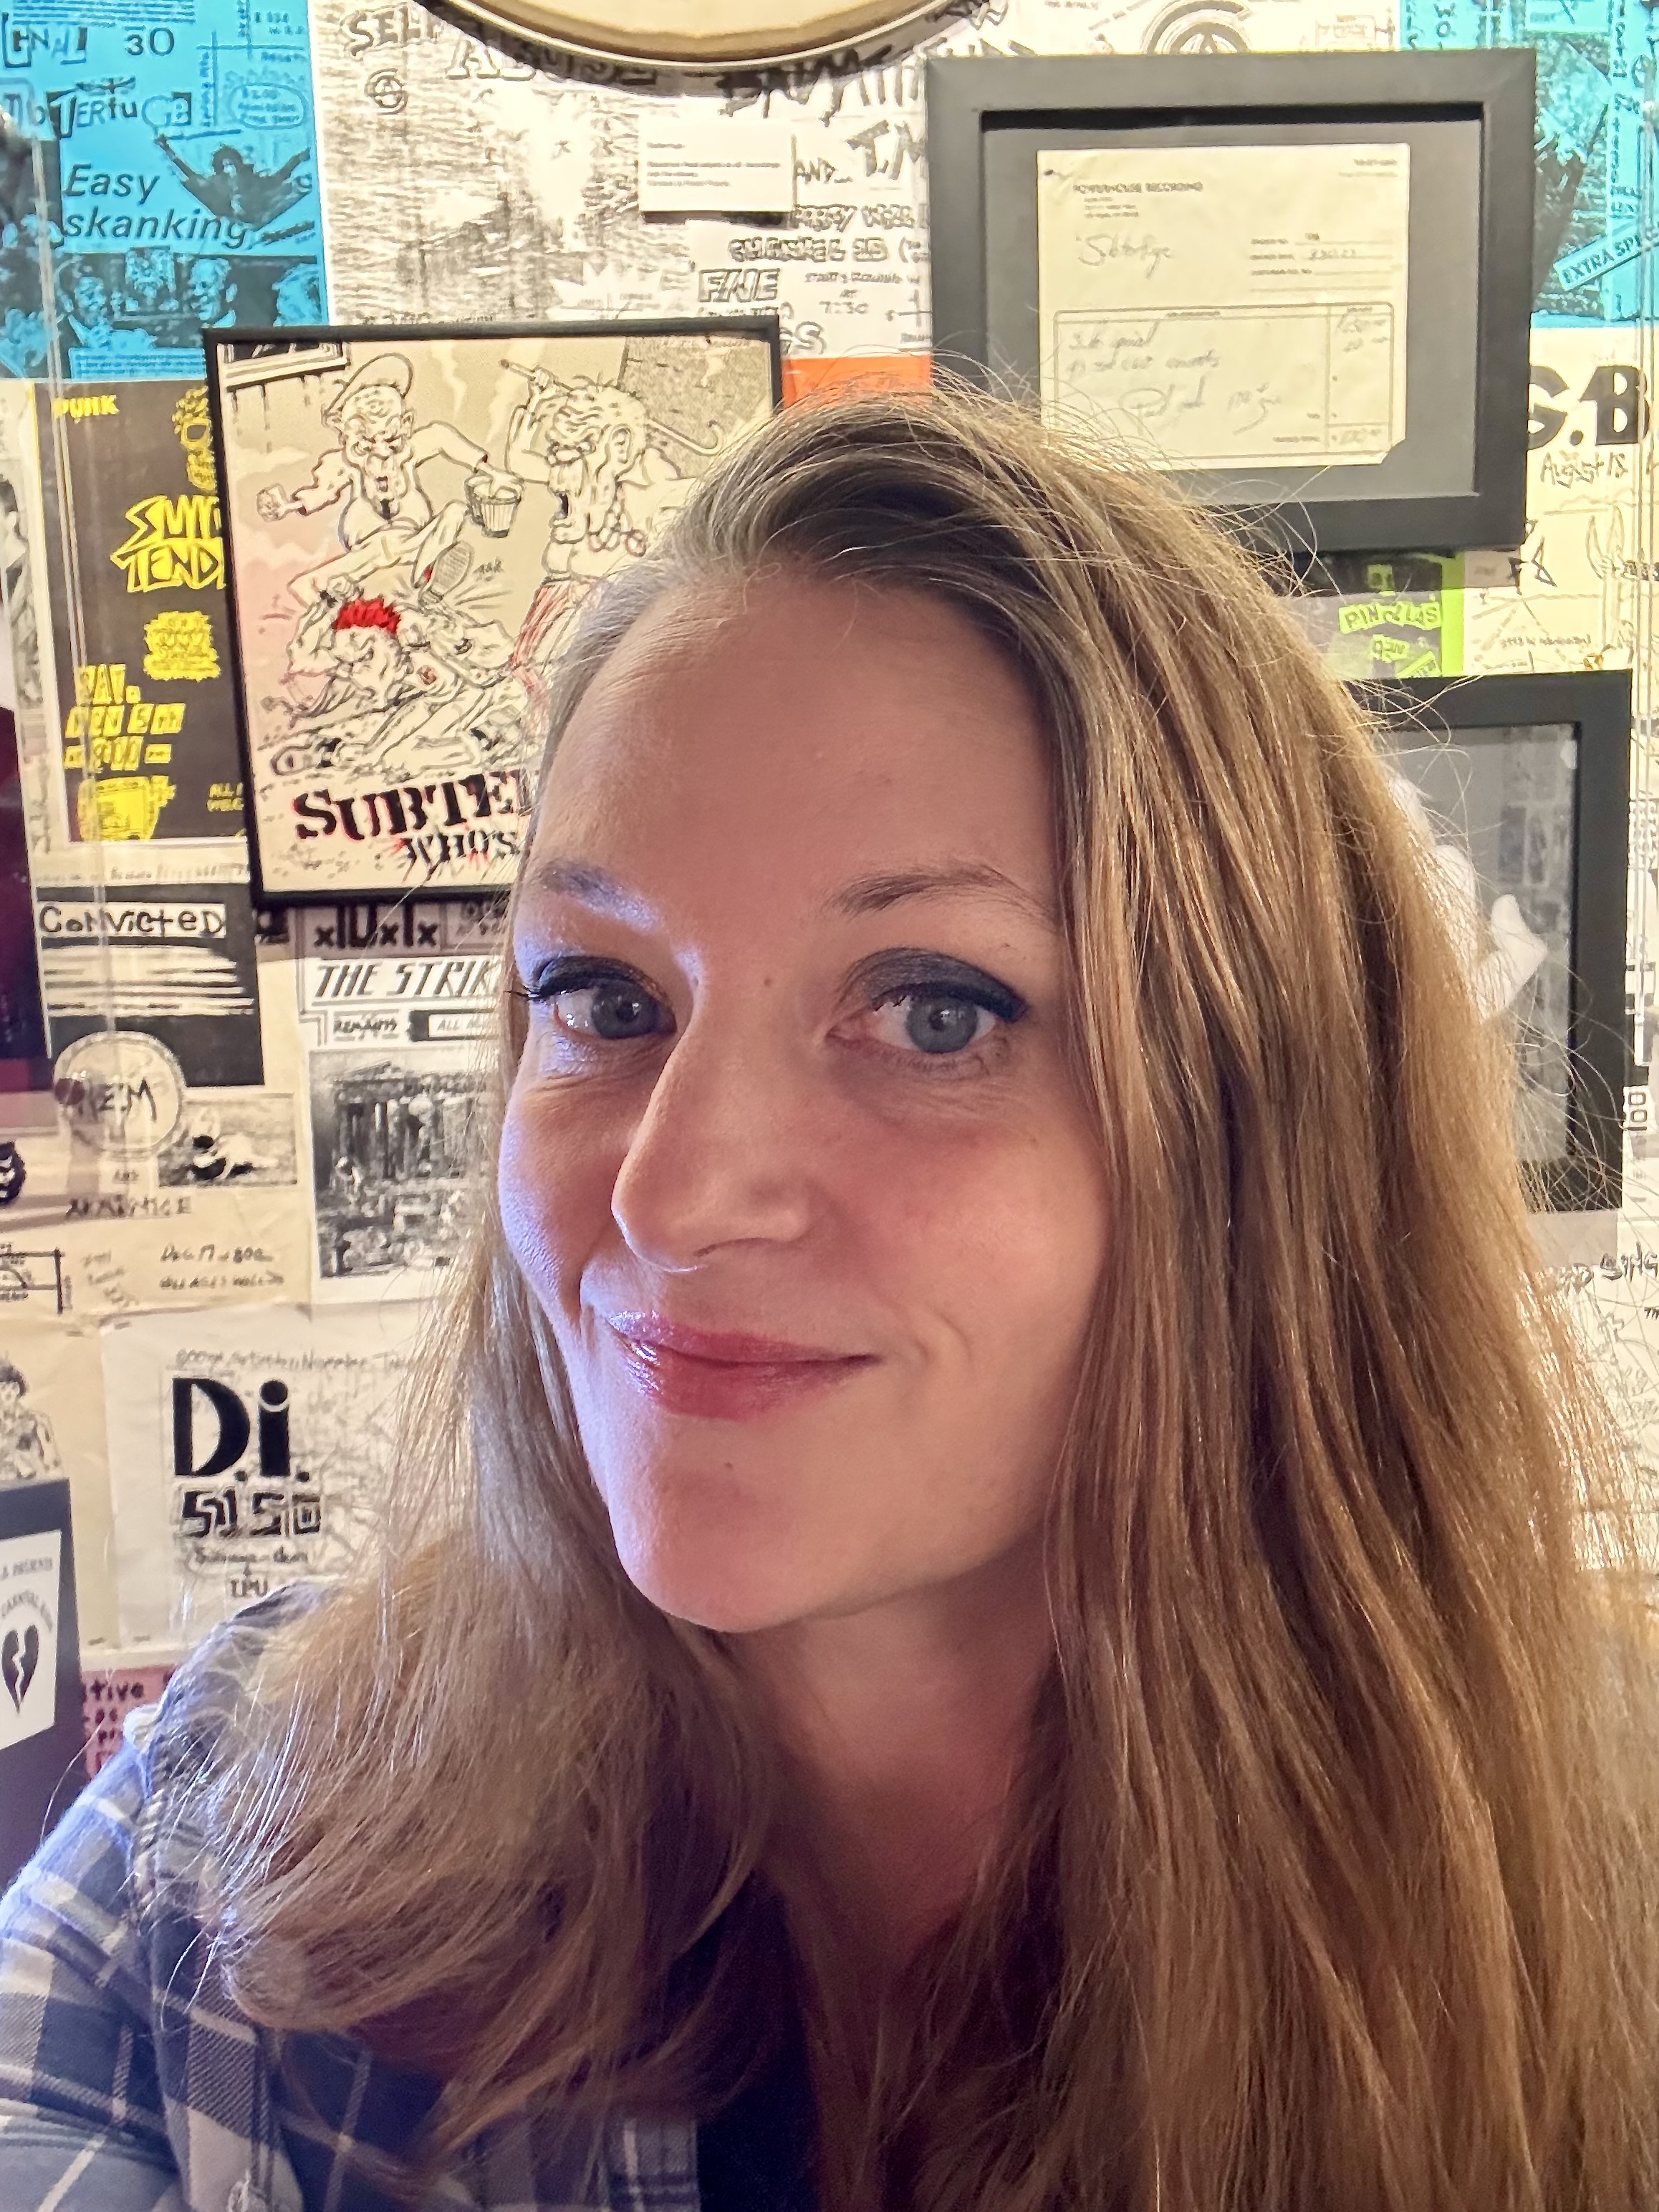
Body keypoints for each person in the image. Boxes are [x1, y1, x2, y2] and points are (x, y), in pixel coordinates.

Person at [2, 385, 1658, 2211]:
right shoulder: (239, 1814)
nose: (672, 1193)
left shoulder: (1599, 1915)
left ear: (1264, 1135)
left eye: (936, 1009)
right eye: (606, 997)